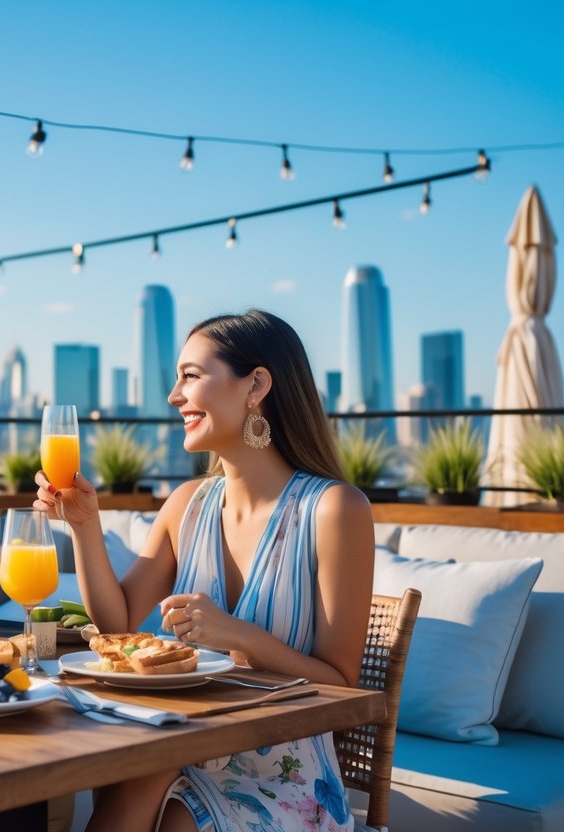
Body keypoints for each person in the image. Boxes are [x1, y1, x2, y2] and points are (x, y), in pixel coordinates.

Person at [35, 310, 373, 832]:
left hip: (283, 772)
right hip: (188, 742)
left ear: (256, 384)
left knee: (171, 813)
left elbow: (343, 687)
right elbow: (116, 621)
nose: (174, 396)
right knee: (137, 773)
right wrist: (83, 526)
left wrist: (236, 633)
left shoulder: (333, 510)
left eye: (191, 375)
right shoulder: (186, 503)